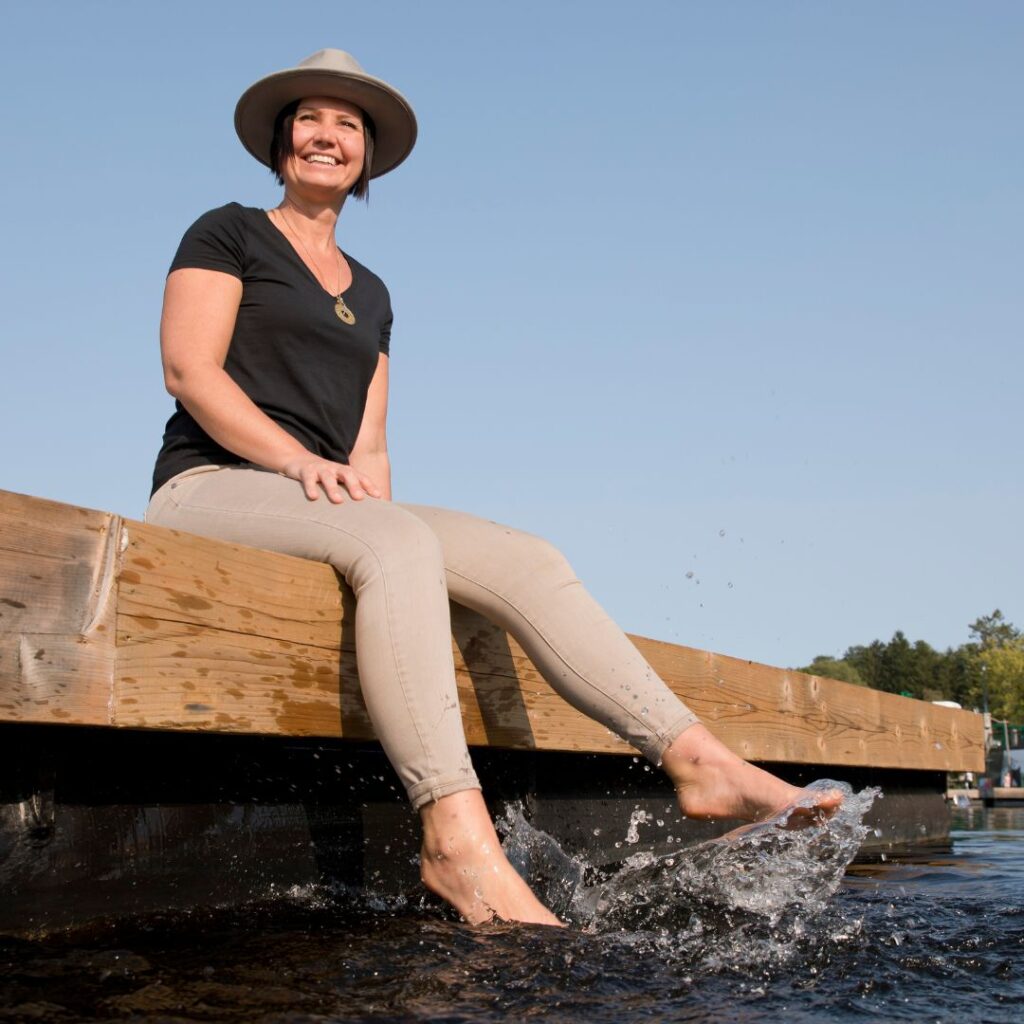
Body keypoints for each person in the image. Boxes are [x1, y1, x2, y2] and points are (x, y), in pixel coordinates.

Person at [146, 49, 842, 927]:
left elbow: (368, 443)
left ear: (366, 156)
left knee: (523, 556)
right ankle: (457, 847)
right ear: (282, 143)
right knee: (397, 543)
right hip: (215, 485)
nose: (328, 136)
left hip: (323, 497)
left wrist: (378, 515)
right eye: (311, 120)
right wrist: (299, 466)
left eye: (347, 125)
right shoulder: (229, 230)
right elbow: (190, 371)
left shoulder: (372, 289)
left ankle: (700, 762)